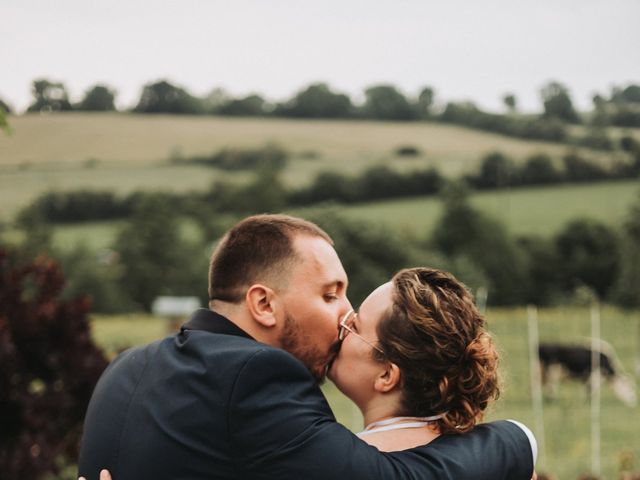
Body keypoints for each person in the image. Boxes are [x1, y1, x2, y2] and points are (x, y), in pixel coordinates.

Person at [78, 214, 535, 480]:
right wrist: (518, 440)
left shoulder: (125, 367)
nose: (345, 315)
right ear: (263, 303)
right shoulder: (256, 375)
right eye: (331, 294)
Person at [329, 267, 537, 463]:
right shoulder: (498, 461)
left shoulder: (337, 465)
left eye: (355, 326)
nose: (341, 325)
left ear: (386, 375)